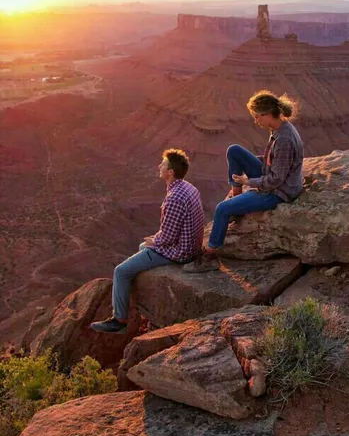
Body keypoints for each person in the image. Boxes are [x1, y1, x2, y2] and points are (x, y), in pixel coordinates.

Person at [185, 90, 303, 273]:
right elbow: (273, 161)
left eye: (257, 117)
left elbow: (276, 180)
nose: (256, 121)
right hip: (271, 176)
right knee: (234, 150)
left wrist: (249, 181)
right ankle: (236, 197)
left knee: (222, 209)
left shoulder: (285, 139)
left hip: (279, 192)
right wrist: (250, 166)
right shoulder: (279, 128)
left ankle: (210, 256)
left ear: (268, 114)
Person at [91, 148, 204, 334]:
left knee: (120, 271)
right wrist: (154, 240)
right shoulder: (188, 187)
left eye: (163, 164)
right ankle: (134, 299)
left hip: (181, 253)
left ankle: (119, 321)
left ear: (171, 172)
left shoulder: (174, 198)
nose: (159, 166)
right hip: (191, 246)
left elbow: (167, 238)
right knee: (142, 247)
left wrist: (154, 240)